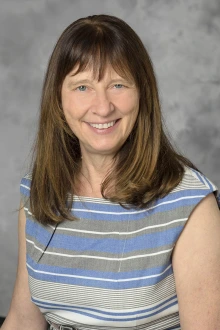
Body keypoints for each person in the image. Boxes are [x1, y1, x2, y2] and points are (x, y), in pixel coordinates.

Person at [2, 14, 220, 330]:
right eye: (82, 87)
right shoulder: (40, 194)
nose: (102, 107)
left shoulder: (189, 203)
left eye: (117, 84)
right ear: (58, 99)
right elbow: (23, 320)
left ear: (142, 91)